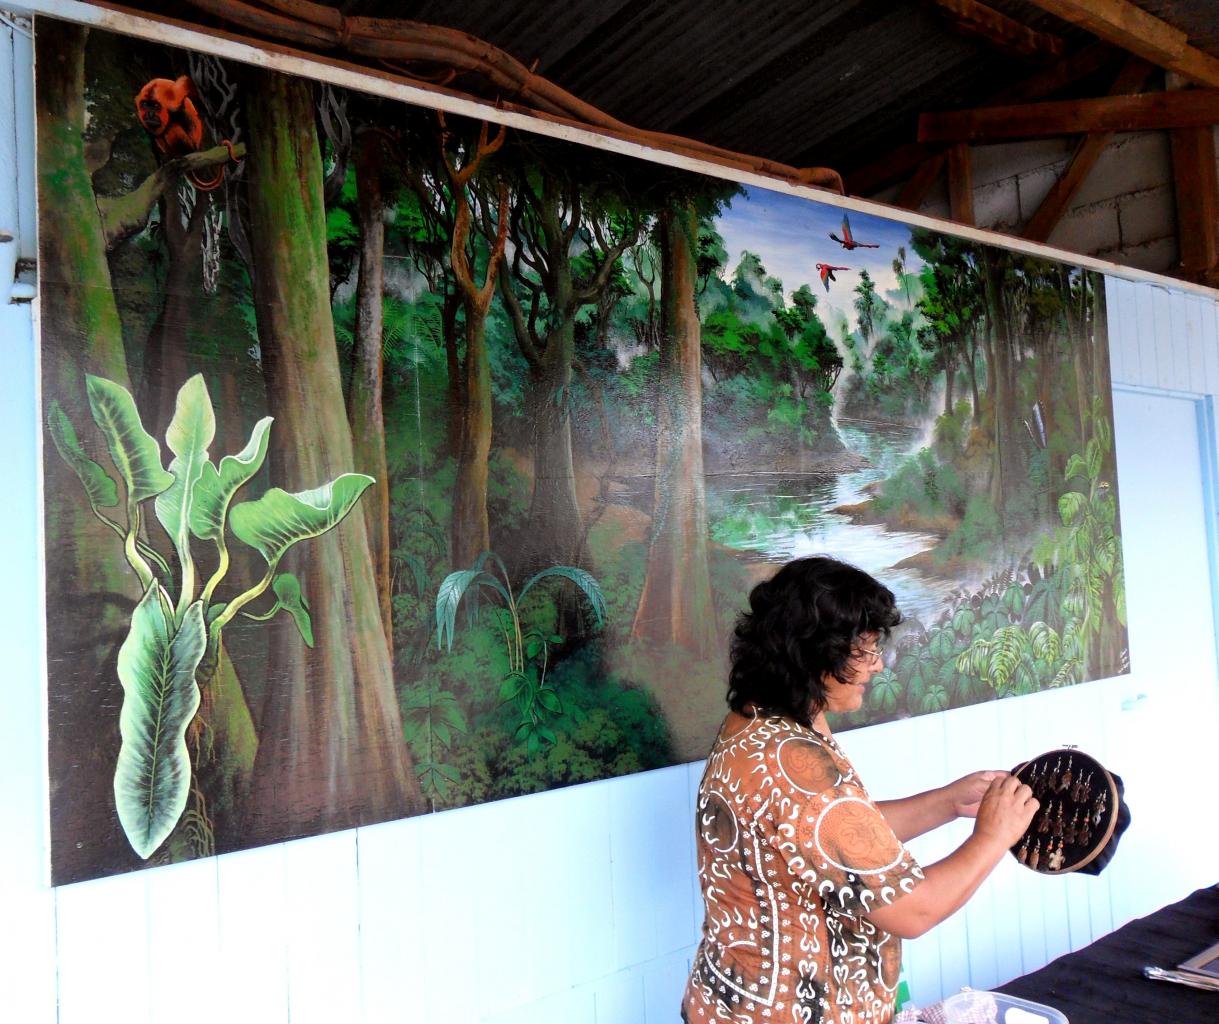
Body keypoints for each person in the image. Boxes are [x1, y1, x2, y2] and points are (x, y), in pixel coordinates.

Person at [681, 556, 1039, 1024]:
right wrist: (993, 838)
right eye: (864, 651)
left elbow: (834, 838)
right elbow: (913, 912)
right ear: (814, 655)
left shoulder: (758, 720)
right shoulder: (793, 765)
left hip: (732, 1002)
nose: (877, 665)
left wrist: (946, 803)